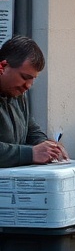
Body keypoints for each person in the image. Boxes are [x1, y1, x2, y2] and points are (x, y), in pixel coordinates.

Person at [0, 35, 68, 167]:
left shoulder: (17, 94)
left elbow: (31, 130)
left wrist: (49, 149)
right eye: (25, 77)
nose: (28, 85)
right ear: (3, 66)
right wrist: (31, 153)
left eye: (33, 79)